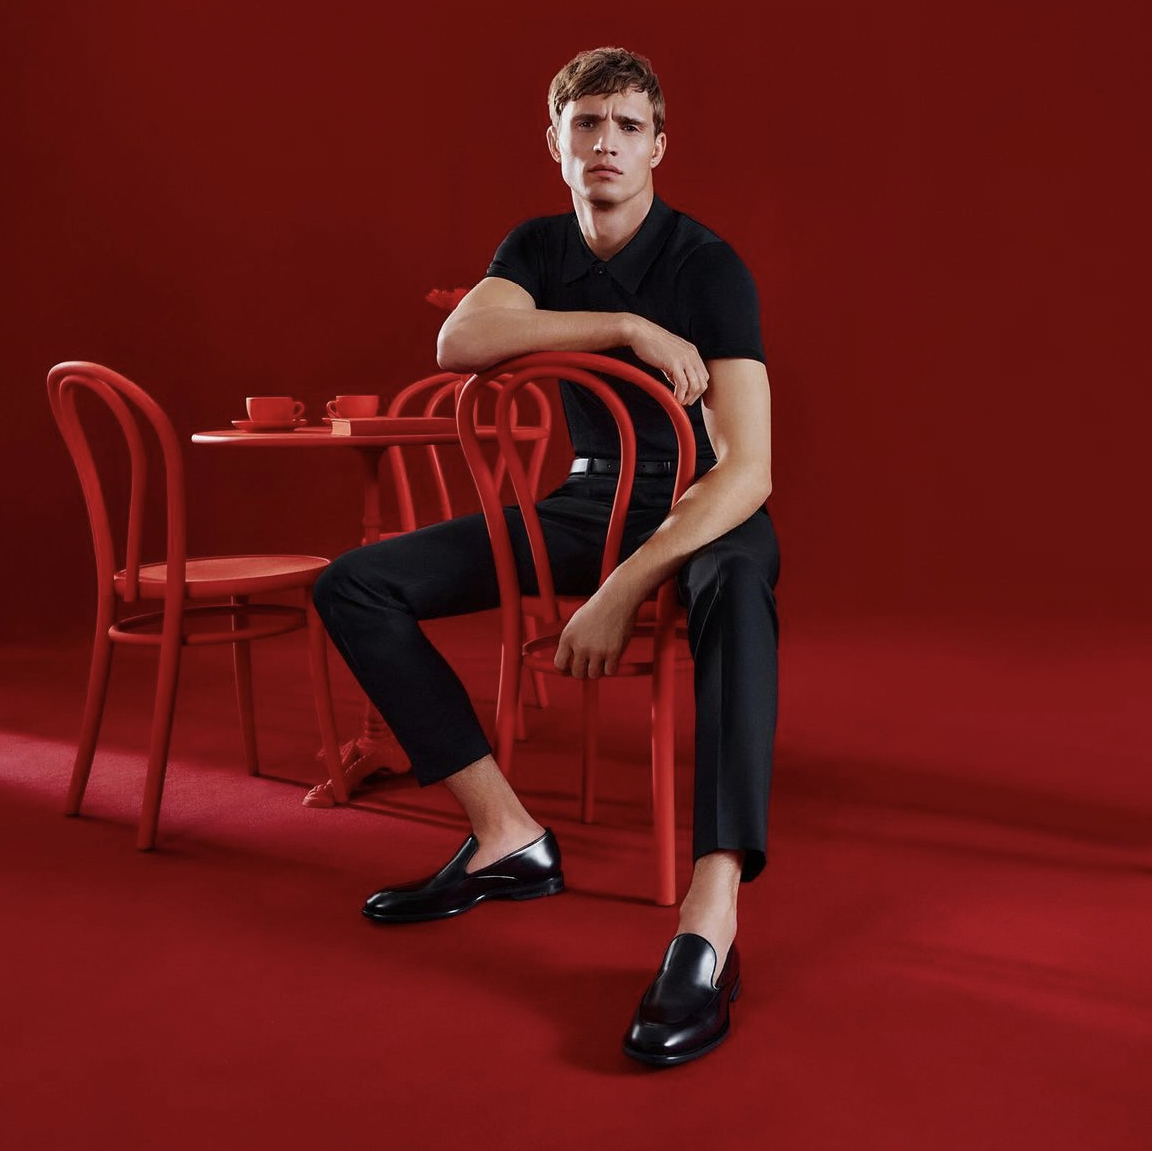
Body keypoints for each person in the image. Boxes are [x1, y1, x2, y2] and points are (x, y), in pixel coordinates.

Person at [312, 46, 779, 1067]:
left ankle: (709, 921)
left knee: (739, 579)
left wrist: (622, 586)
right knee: (356, 581)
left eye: (625, 126)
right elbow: (459, 344)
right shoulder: (536, 244)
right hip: (581, 500)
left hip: (697, 506)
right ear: (558, 142)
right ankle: (506, 836)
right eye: (586, 125)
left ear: (658, 143)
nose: (604, 143)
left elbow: (748, 472)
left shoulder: (708, 263)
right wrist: (622, 323)